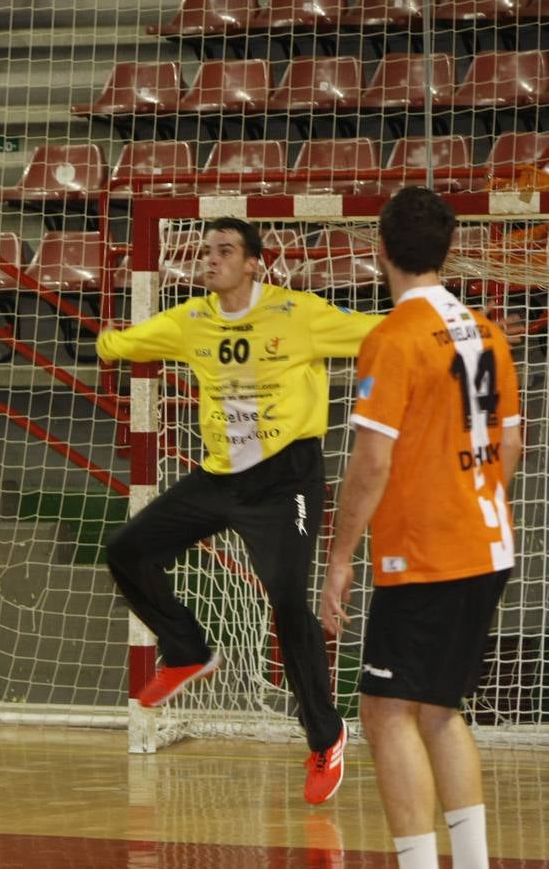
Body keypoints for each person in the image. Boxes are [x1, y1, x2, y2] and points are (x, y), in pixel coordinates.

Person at [96, 217, 381, 804]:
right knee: (126, 549)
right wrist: (106, 340)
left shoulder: (297, 313)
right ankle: (187, 650)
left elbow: (377, 331)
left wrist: (451, 328)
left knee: (284, 595)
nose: (210, 259)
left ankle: (325, 738)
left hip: (287, 481)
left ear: (254, 263)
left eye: (225, 251)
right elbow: (127, 342)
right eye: (207, 251)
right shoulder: (191, 320)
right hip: (220, 477)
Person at [320, 187, 520, 869]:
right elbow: (512, 445)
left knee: (384, 711)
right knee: (436, 707)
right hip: (489, 543)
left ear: (381, 250)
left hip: (428, 557)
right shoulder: (489, 331)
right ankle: (469, 861)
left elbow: (371, 463)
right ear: (449, 250)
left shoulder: (393, 339)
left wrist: (340, 556)